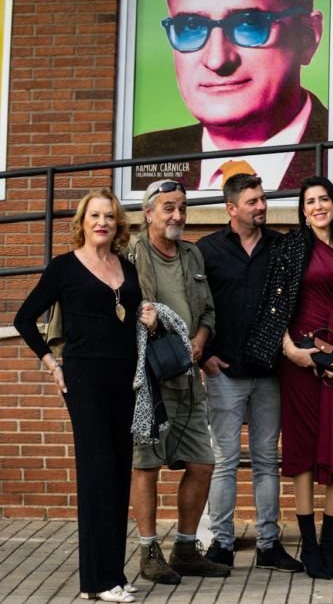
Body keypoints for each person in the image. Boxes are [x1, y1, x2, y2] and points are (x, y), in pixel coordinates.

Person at [14, 190, 158, 603]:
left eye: (109, 216)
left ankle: (113, 573)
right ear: (83, 220)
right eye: (95, 216)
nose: (102, 222)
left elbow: (130, 320)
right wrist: (50, 362)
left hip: (124, 378)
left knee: (116, 473)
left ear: (117, 224)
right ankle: (95, 581)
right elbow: (24, 318)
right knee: (97, 474)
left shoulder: (126, 267)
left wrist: (147, 319)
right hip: (85, 378)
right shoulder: (64, 268)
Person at [244, 176, 333, 579]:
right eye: (310, 202)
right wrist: (289, 348)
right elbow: (275, 301)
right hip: (301, 362)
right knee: (303, 451)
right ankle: (308, 547)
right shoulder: (291, 247)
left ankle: (328, 547)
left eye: (324, 199)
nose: (318, 206)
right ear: (302, 210)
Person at [132, 0, 326, 191]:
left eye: (249, 24)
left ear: (307, 36)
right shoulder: (140, 157)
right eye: (190, 27)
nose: (217, 59)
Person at [195, 173, 302, 572]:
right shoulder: (207, 250)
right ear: (231, 208)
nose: (261, 206)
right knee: (224, 461)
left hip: (270, 372)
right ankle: (221, 544)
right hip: (222, 372)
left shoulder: (281, 247)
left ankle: (269, 545)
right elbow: (194, 304)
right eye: (253, 201)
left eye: (262, 199)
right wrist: (202, 354)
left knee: (265, 461)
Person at [128, 179, 229, 584]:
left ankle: (185, 548)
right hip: (150, 379)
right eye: (169, 207)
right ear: (149, 213)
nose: (177, 215)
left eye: (182, 207)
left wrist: (202, 340)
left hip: (189, 378)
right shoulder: (130, 255)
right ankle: (148, 551)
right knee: (146, 466)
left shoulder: (192, 255)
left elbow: (207, 311)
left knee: (203, 462)